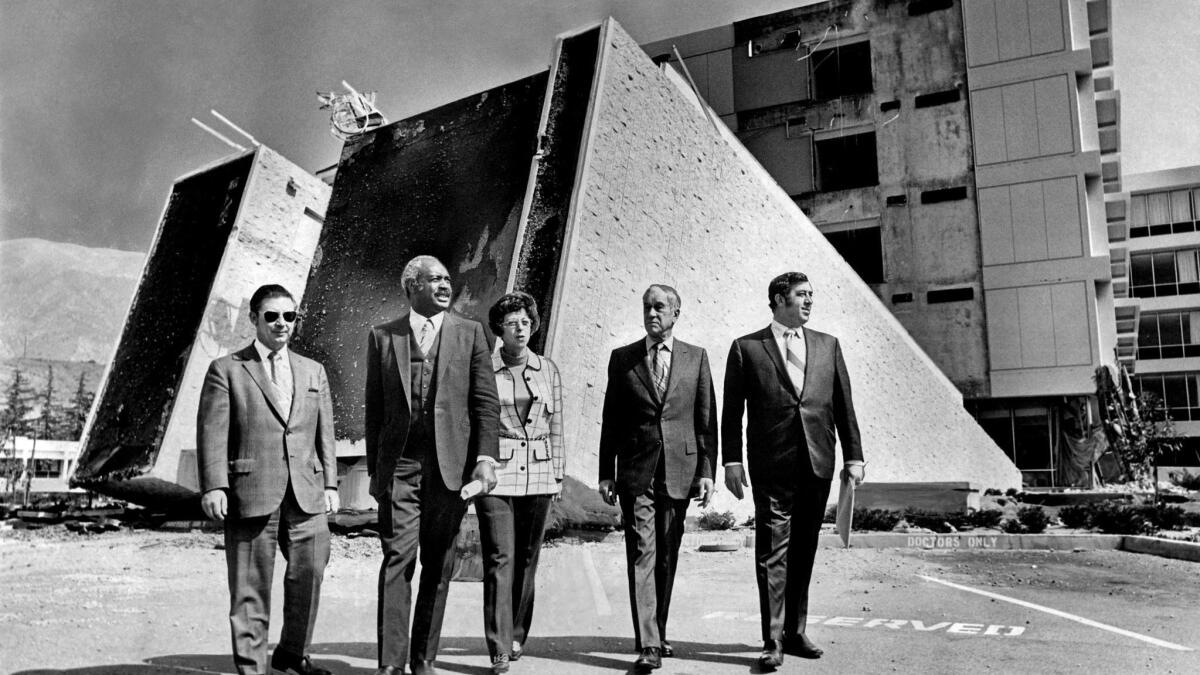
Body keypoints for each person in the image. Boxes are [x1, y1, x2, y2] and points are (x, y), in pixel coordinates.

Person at [721, 272, 865, 671]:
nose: (809, 302)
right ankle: (772, 638)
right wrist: (731, 461)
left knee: (804, 548)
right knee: (772, 550)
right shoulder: (747, 348)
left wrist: (855, 457)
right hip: (771, 465)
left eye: (811, 296)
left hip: (818, 461)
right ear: (779, 299)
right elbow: (732, 413)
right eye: (802, 295)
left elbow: (844, 405)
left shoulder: (828, 345)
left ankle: (796, 631)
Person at [365, 255, 501, 675]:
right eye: (433, 279)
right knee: (397, 560)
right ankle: (390, 665)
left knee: (438, 564)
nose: (445, 286)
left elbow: (485, 402)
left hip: (451, 470)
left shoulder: (471, 333)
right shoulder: (382, 336)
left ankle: (423, 660)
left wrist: (484, 459)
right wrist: (375, 473)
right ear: (411, 288)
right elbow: (376, 410)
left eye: (447, 278)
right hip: (400, 468)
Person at [197, 283, 339, 675]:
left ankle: (293, 655)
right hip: (250, 490)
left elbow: (323, 432)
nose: (281, 323)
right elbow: (213, 431)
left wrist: (330, 484)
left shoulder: (313, 371)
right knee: (249, 589)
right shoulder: (226, 369)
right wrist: (214, 485)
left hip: (307, 493)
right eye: (272, 316)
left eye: (289, 316)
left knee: (308, 576)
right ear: (254, 319)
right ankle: (251, 667)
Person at [598, 284, 718, 673]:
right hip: (637, 471)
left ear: (676, 313)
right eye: (647, 307)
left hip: (681, 470)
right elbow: (611, 419)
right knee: (643, 552)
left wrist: (706, 471)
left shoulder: (696, 358)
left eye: (660, 307)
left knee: (667, 555)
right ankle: (647, 643)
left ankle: (659, 631)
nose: (652, 313)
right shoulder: (623, 359)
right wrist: (606, 473)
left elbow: (706, 422)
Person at [475, 292, 565, 674]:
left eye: (526, 322)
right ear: (500, 329)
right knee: (500, 557)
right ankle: (497, 646)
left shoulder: (548, 369)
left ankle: (515, 634)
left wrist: (558, 471)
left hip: (541, 473)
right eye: (513, 323)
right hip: (498, 473)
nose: (520, 329)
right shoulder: (484, 370)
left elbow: (557, 423)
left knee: (528, 558)